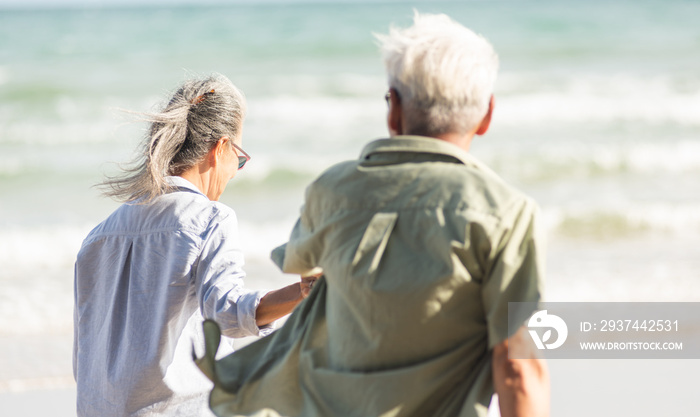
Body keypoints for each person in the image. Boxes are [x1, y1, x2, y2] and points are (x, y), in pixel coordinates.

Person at [196, 12, 549, 417]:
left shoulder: (331, 191)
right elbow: (517, 366)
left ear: (393, 110)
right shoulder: (507, 214)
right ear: (486, 116)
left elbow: (302, 268)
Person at [73, 74, 316, 417]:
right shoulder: (210, 218)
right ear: (220, 149)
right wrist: (303, 290)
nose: (236, 171)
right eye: (240, 158)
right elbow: (229, 315)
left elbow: (86, 355)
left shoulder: (98, 237)